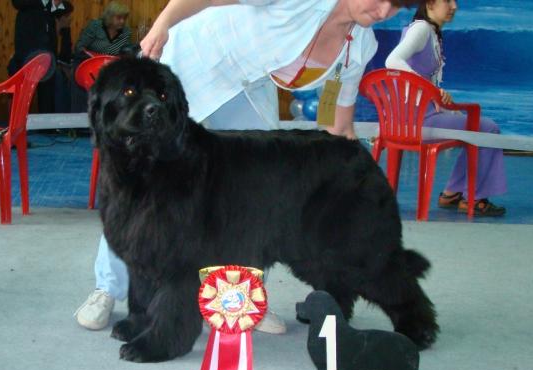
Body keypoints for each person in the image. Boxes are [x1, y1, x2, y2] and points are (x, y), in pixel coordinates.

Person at [75, 0, 425, 333]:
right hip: (198, 64)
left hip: (248, 86)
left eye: (395, 7)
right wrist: (164, 22)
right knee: (141, 189)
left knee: (256, 197)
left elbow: (340, 126)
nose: (383, 11)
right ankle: (108, 288)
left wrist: (353, 188)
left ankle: (240, 299)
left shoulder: (360, 45)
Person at [385, 0, 507, 216]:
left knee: (473, 126)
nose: (454, 6)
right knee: (489, 129)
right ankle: (474, 198)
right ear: (430, 3)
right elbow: (392, 60)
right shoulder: (421, 29)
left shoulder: (429, 31)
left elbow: (420, 83)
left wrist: (447, 107)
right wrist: (429, 90)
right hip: (418, 121)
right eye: (447, 1)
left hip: (416, 117)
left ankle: (452, 194)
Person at [10, 0, 70, 113]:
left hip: (47, 51)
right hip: (27, 50)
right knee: (24, 95)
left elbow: (63, 9)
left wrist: (54, 4)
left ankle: (47, 128)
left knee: (47, 95)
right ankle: (18, 126)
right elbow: (17, 2)